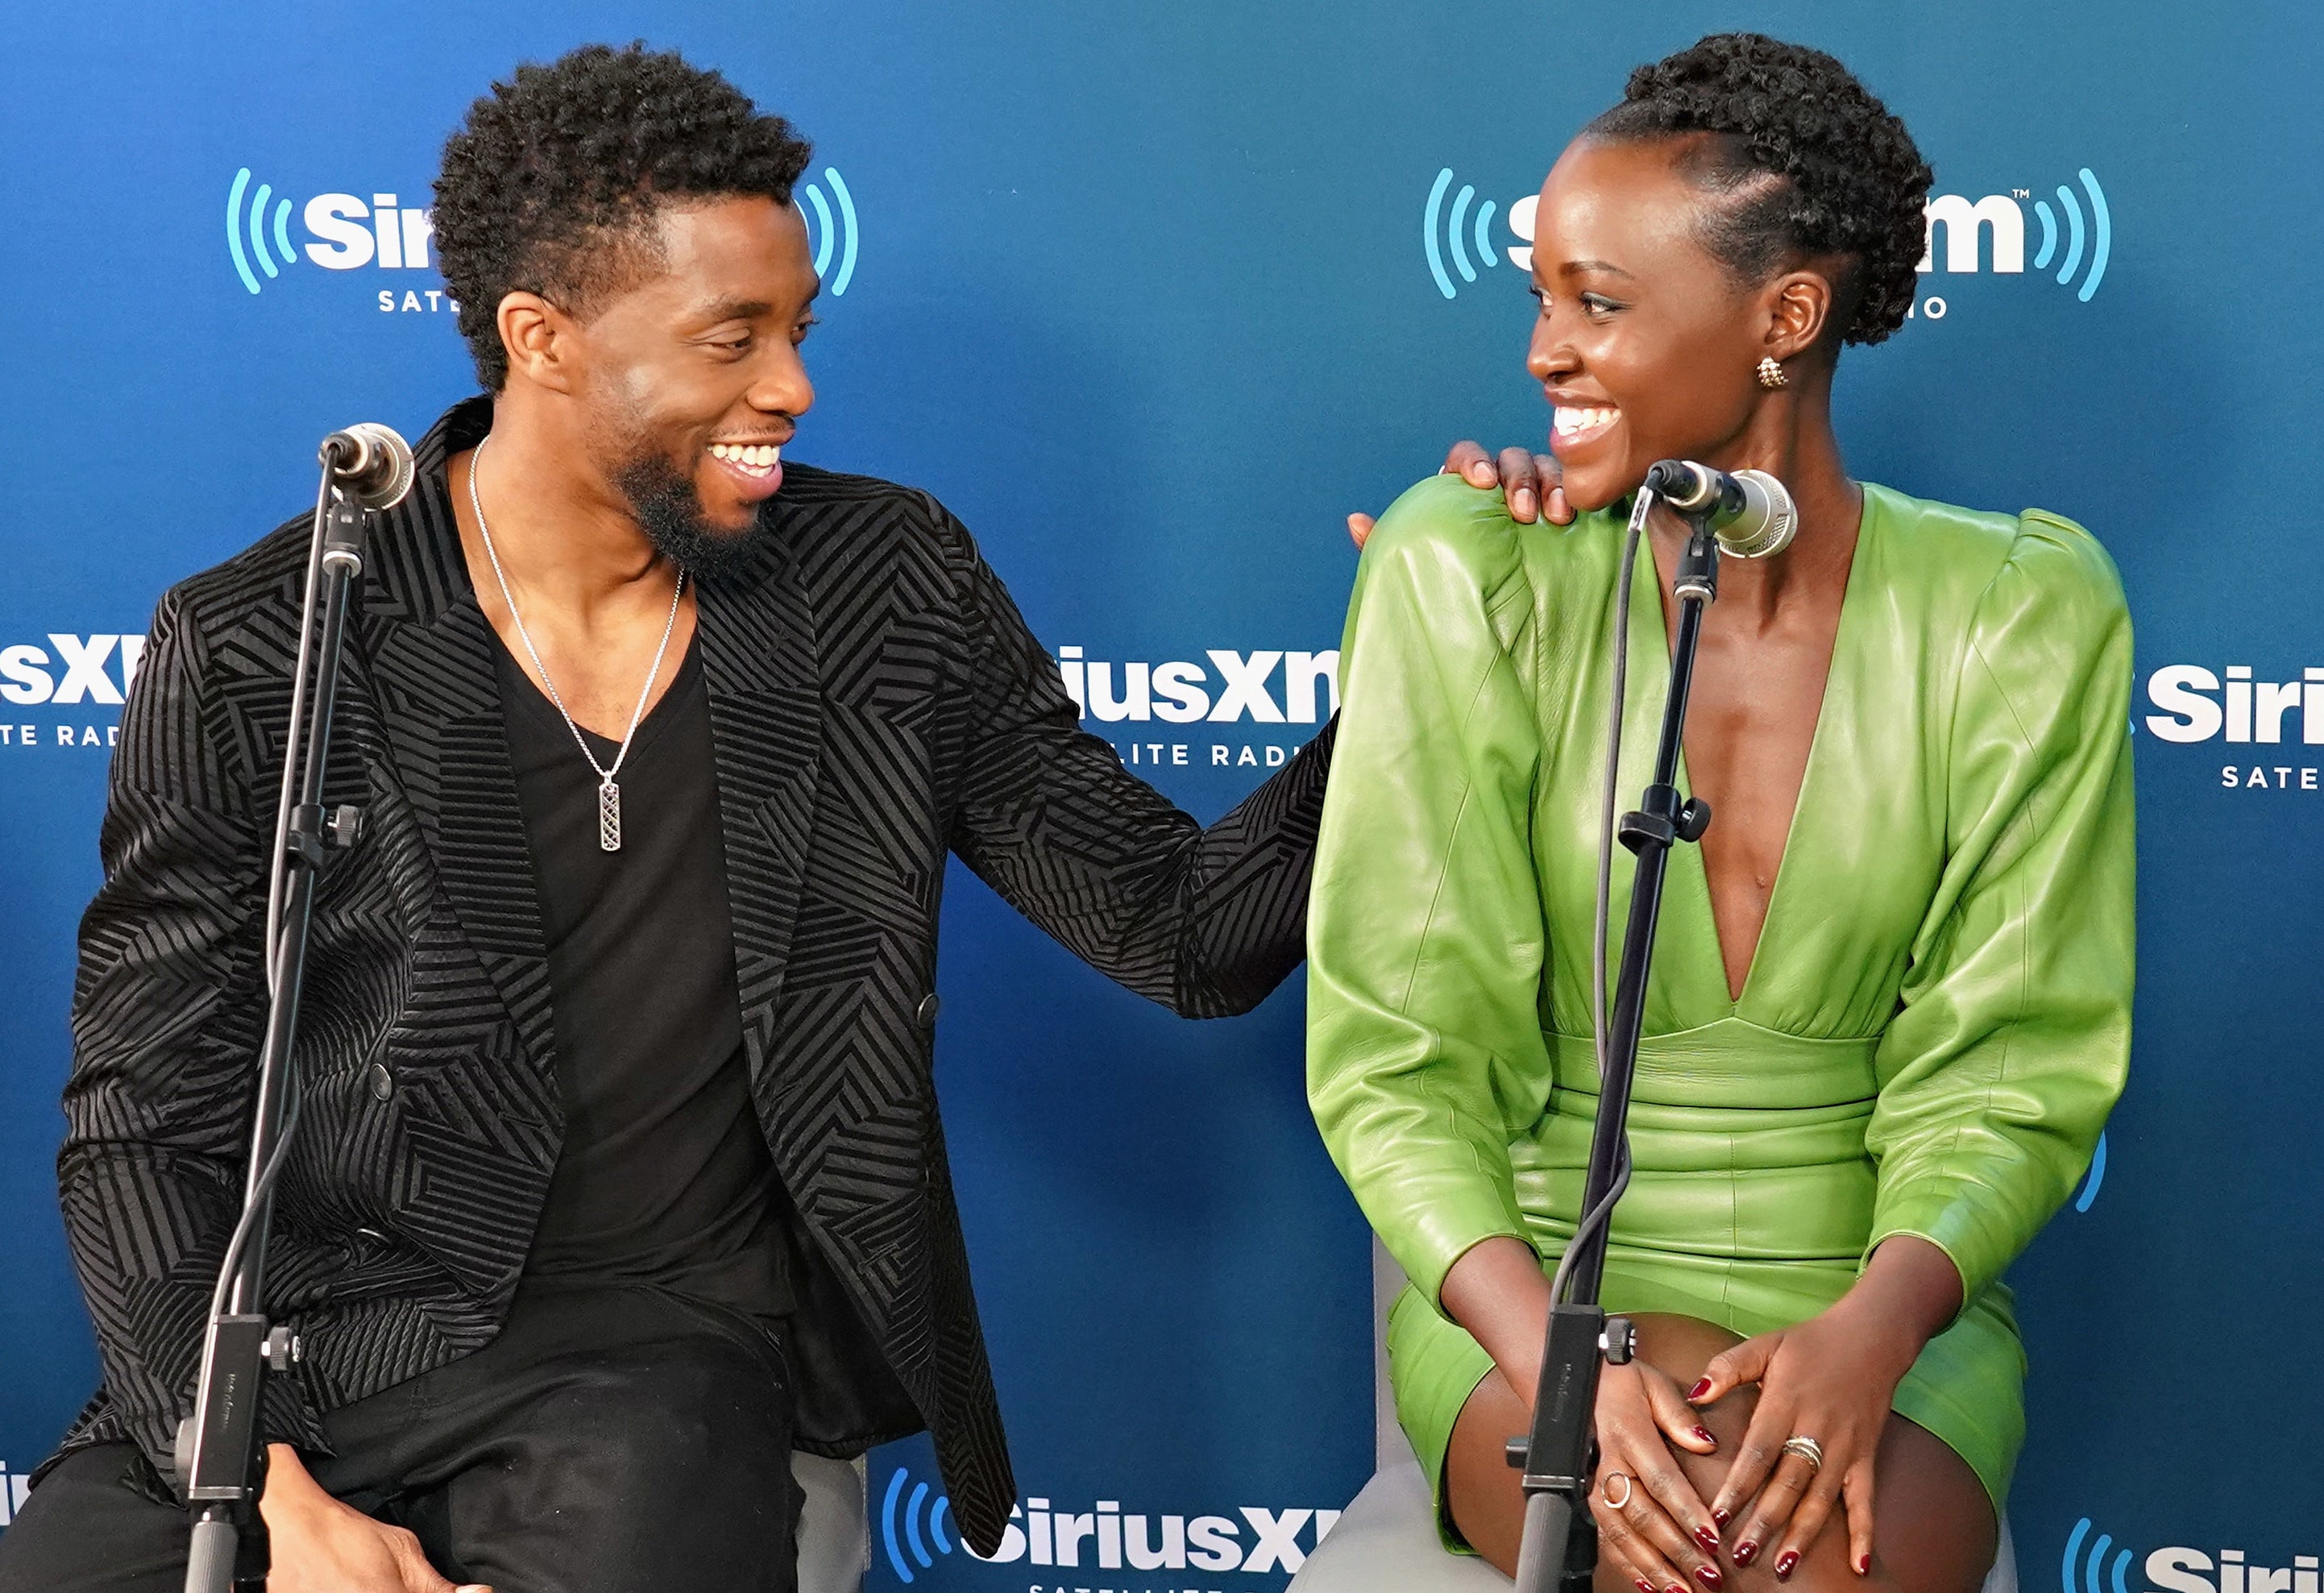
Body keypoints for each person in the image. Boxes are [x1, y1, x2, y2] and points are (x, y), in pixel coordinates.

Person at [0, 44, 1338, 1593]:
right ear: (541, 338)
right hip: (323, 1346)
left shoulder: (877, 584)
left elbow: (1181, 931)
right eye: (733, 338)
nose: (793, 387)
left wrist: (1414, 676)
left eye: (797, 329)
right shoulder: (270, 639)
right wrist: (262, 1491)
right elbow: (144, 1123)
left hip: (671, 1357)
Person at [1307, 34, 2132, 1593]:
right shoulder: (1465, 566)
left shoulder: (2021, 610)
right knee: (1730, 1538)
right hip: (1535, 1284)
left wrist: (1868, 1336)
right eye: (1540, 296)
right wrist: (1558, 1356)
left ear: (1786, 317)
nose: (1547, 349)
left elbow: (2017, 1062)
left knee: (1781, 1542)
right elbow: (1396, 1060)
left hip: (1880, 1296)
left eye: (1599, 302)